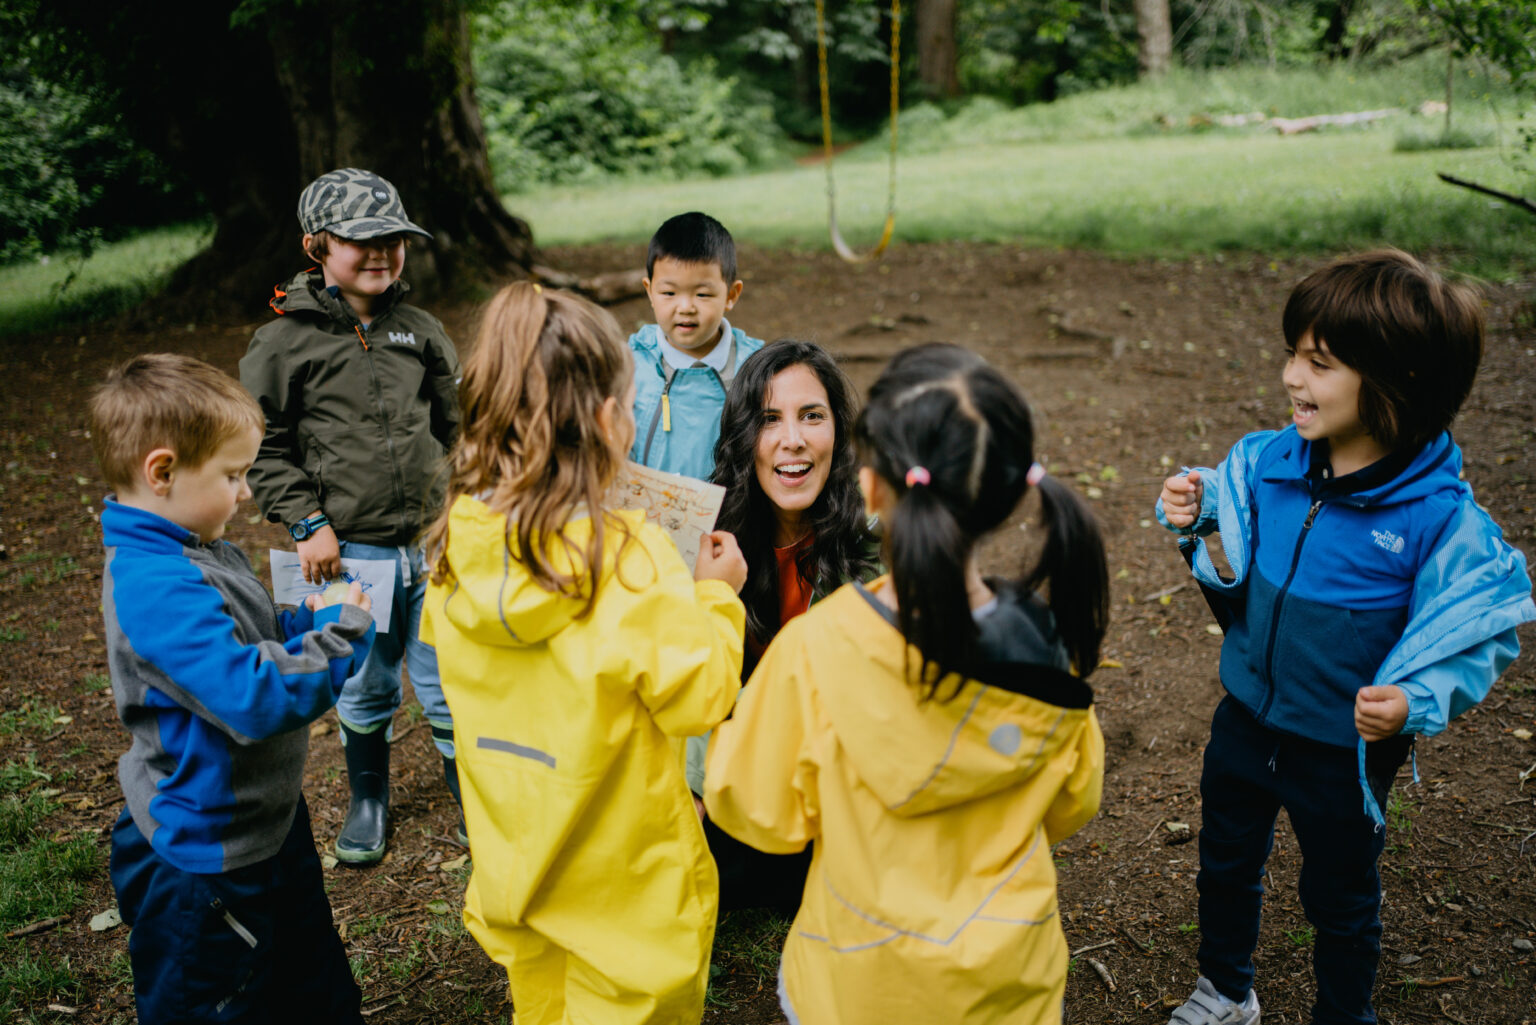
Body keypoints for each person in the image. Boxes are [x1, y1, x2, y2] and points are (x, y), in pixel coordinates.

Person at [1155, 249, 1535, 1025]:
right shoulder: (1270, 463)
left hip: (1341, 751)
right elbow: (1227, 518)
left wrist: (1413, 702)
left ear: (1397, 380)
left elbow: (1478, 633)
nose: (1294, 377)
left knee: (1340, 896)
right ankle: (1226, 989)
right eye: (1294, 354)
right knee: (1225, 862)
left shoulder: (1438, 520)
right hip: (1248, 715)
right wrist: (1193, 507)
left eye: (1319, 362)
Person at [706, 342, 1110, 1025]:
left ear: (870, 483)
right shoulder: (1048, 642)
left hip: (861, 979)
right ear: (1012, 493)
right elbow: (1074, 801)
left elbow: (757, 809)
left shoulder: (819, 646)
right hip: (1012, 982)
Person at [419, 282, 749, 1025]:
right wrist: (716, 596)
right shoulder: (629, 558)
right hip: (626, 894)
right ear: (608, 418)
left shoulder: (457, 540)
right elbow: (701, 697)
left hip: (517, 872)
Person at [92, 353, 376, 1024]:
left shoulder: (197, 544)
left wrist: (300, 621)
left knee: (311, 981)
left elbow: (244, 634)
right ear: (161, 471)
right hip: (205, 862)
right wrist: (340, 637)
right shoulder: (153, 584)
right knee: (216, 1001)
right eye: (232, 474)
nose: (245, 492)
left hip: (267, 825)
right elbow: (251, 694)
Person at [240, 167, 464, 865]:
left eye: (393, 238)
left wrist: (470, 502)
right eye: (361, 240)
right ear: (318, 247)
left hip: (436, 540)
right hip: (347, 554)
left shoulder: (420, 331)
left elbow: (458, 428)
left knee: (451, 675)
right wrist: (308, 523)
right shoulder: (283, 344)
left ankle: (476, 800)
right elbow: (260, 445)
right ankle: (369, 799)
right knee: (366, 679)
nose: (381, 252)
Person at [692, 339, 880, 912]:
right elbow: (685, 686)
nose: (792, 439)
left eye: (811, 416)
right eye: (769, 419)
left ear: (838, 434)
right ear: (744, 437)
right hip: (737, 787)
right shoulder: (709, 539)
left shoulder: (875, 543)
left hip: (838, 790)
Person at [629, 211, 764, 481]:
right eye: (669, 293)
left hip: (734, 518)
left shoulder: (757, 367)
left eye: (702, 294)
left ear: (731, 295)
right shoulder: (630, 364)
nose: (686, 308)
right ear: (650, 292)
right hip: (643, 516)